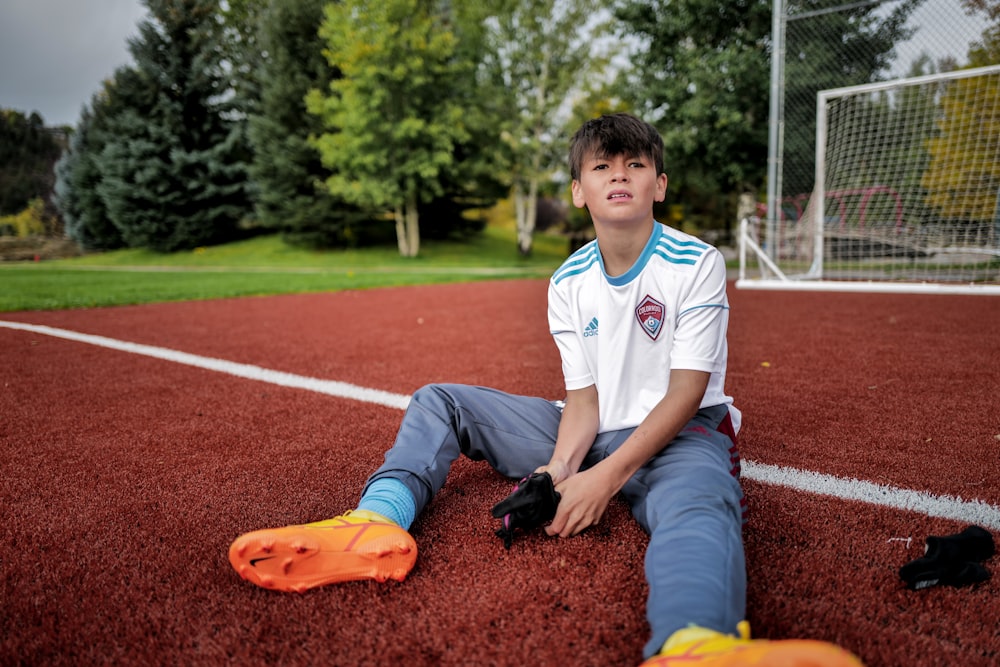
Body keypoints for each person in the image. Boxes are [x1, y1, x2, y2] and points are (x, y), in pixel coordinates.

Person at [229, 113, 863, 667]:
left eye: (636, 164)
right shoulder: (568, 281)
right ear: (578, 189)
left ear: (659, 185)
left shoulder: (696, 262)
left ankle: (697, 643)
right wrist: (559, 470)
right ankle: (375, 525)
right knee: (440, 400)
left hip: (682, 432)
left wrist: (604, 479)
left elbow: (687, 392)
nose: (620, 175)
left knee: (700, 505)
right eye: (602, 166)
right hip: (584, 428)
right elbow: (583, 402)